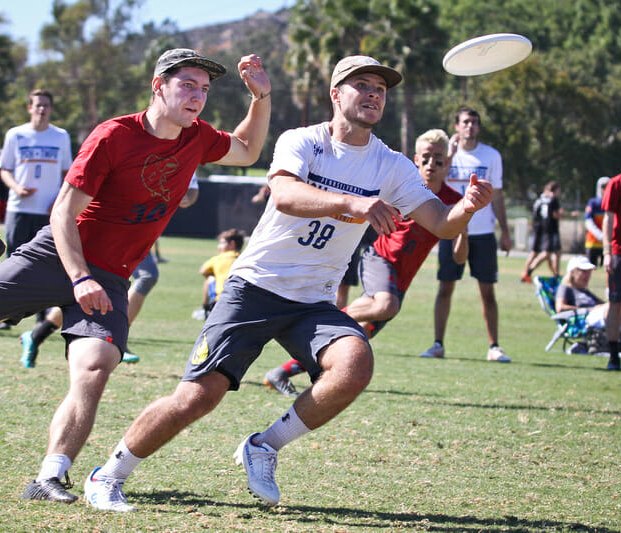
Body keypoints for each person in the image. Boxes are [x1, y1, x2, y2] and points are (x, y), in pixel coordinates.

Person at [84, 55, 492, 512]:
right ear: (336, 94)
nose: (375, 93)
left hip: (312, 301)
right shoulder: (302, 140)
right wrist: (353, 204)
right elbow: (285, 194)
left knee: (355, 364)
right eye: (363, 84)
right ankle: (109, 473)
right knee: (198, 397)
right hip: (255, 287)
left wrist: (469, 208)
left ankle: (264, 445)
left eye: (381, 87)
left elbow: (441, 223)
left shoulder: (392, 165)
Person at [0, 48, 272, 503]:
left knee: (94, 369)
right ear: (159, 85)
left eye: (205, 89)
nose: (198, 97)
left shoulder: (198, 137)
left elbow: (249, 150)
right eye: (188, 85)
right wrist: (78, 278)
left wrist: (261, 98)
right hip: (56, 257)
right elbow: (62, 213)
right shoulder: (113, 135)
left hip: (111, 278)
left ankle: (50, 476)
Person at [265, 128, 466, 394]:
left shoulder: (453, 201)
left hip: (401, 279)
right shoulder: (402, 186)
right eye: (426, 158)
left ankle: (281, 372)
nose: (431, 165)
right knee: (385, 304)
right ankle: (316, 319)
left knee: (354, 336)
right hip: (379, 259)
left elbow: (459, 257)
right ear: (416, 159)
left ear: (448, 163)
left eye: (439, 160)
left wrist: (464, 222)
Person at [19, 175, 202, 368]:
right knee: (104, 285)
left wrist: (185, 198)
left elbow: (192, 189)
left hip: (138, 231)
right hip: (110, 226)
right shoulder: (136, 148)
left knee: (119, 283)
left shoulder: (187, 148)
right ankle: (111, 340)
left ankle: (38, 335)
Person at [420, 107, 513, 363]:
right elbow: (433, 180)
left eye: (474, 122)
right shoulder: (444, 156)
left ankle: (494, 346)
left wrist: (505, 231)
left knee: (487, 291)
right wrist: (449, 154)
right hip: (451, 229)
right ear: (456, 126)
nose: (470, 126)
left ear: (479, 127)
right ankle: (438, 344)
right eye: (465, 122)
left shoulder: (491, 156)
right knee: (445, 288)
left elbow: (497, 195)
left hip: (483, 233)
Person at [0, 89, 72, 330]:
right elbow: (4, 169)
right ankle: (6, 315)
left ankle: (41, 317)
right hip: (19, 209)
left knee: (46, 263)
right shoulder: (15, 135)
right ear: (29, 108)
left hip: (48, 212)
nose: (41, 109)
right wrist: (16, 187)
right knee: (13, 261)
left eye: (46, 105)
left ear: (51, 109)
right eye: (37, 105)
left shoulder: (60, 136)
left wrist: (58, 200)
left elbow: (67, 173)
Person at [192, 228, 246, 320]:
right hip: (244, 301)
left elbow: (203, 271)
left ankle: (205, 309)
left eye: (222, 243)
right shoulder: (244, 258)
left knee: (210, 278)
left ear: (232, 244)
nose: (219, 247)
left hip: (222, 301)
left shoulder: (219, 258)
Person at [601, 170, 621, 371]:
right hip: (620, 252)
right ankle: (614, 355)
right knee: (616, 303)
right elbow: (608, 219)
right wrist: (607, 252)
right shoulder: (617, 183)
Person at [521, 181, 563, 282]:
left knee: (552, 253)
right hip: (549, 229)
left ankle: (555, 275)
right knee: (547, 253)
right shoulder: (552, 200)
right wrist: (569, 215)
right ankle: (528, 272)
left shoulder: (540, 201)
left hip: (539, 229)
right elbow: (555, 215)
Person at [585, 176, 610, 267]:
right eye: (603, 187)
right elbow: (588, 221)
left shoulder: (613, 202)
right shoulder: (593, 202)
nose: (605, 189)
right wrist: (599, 234)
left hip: (608, 243)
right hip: (593, 241)